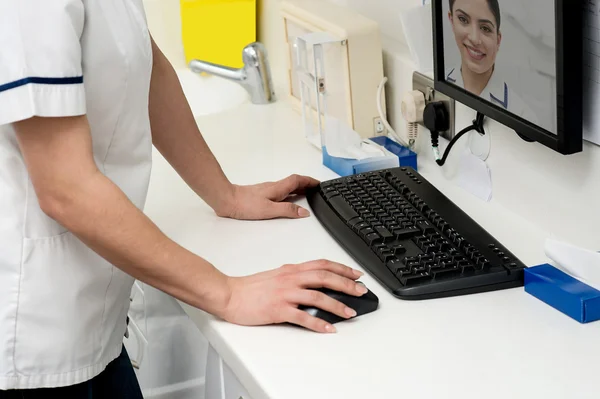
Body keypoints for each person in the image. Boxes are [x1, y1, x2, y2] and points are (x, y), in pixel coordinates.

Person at [0, 1, 366, 397]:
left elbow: (144, 63)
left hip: (89, 319)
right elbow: (65, 188)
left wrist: (225, 195)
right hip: (32, 337)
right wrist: (226, 292)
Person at [445, 0, 537, 122]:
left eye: (485, 28)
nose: (474, 38)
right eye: (463, 19)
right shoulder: (432, 83)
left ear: (498, 40)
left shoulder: (523, 115)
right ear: (451, 21)